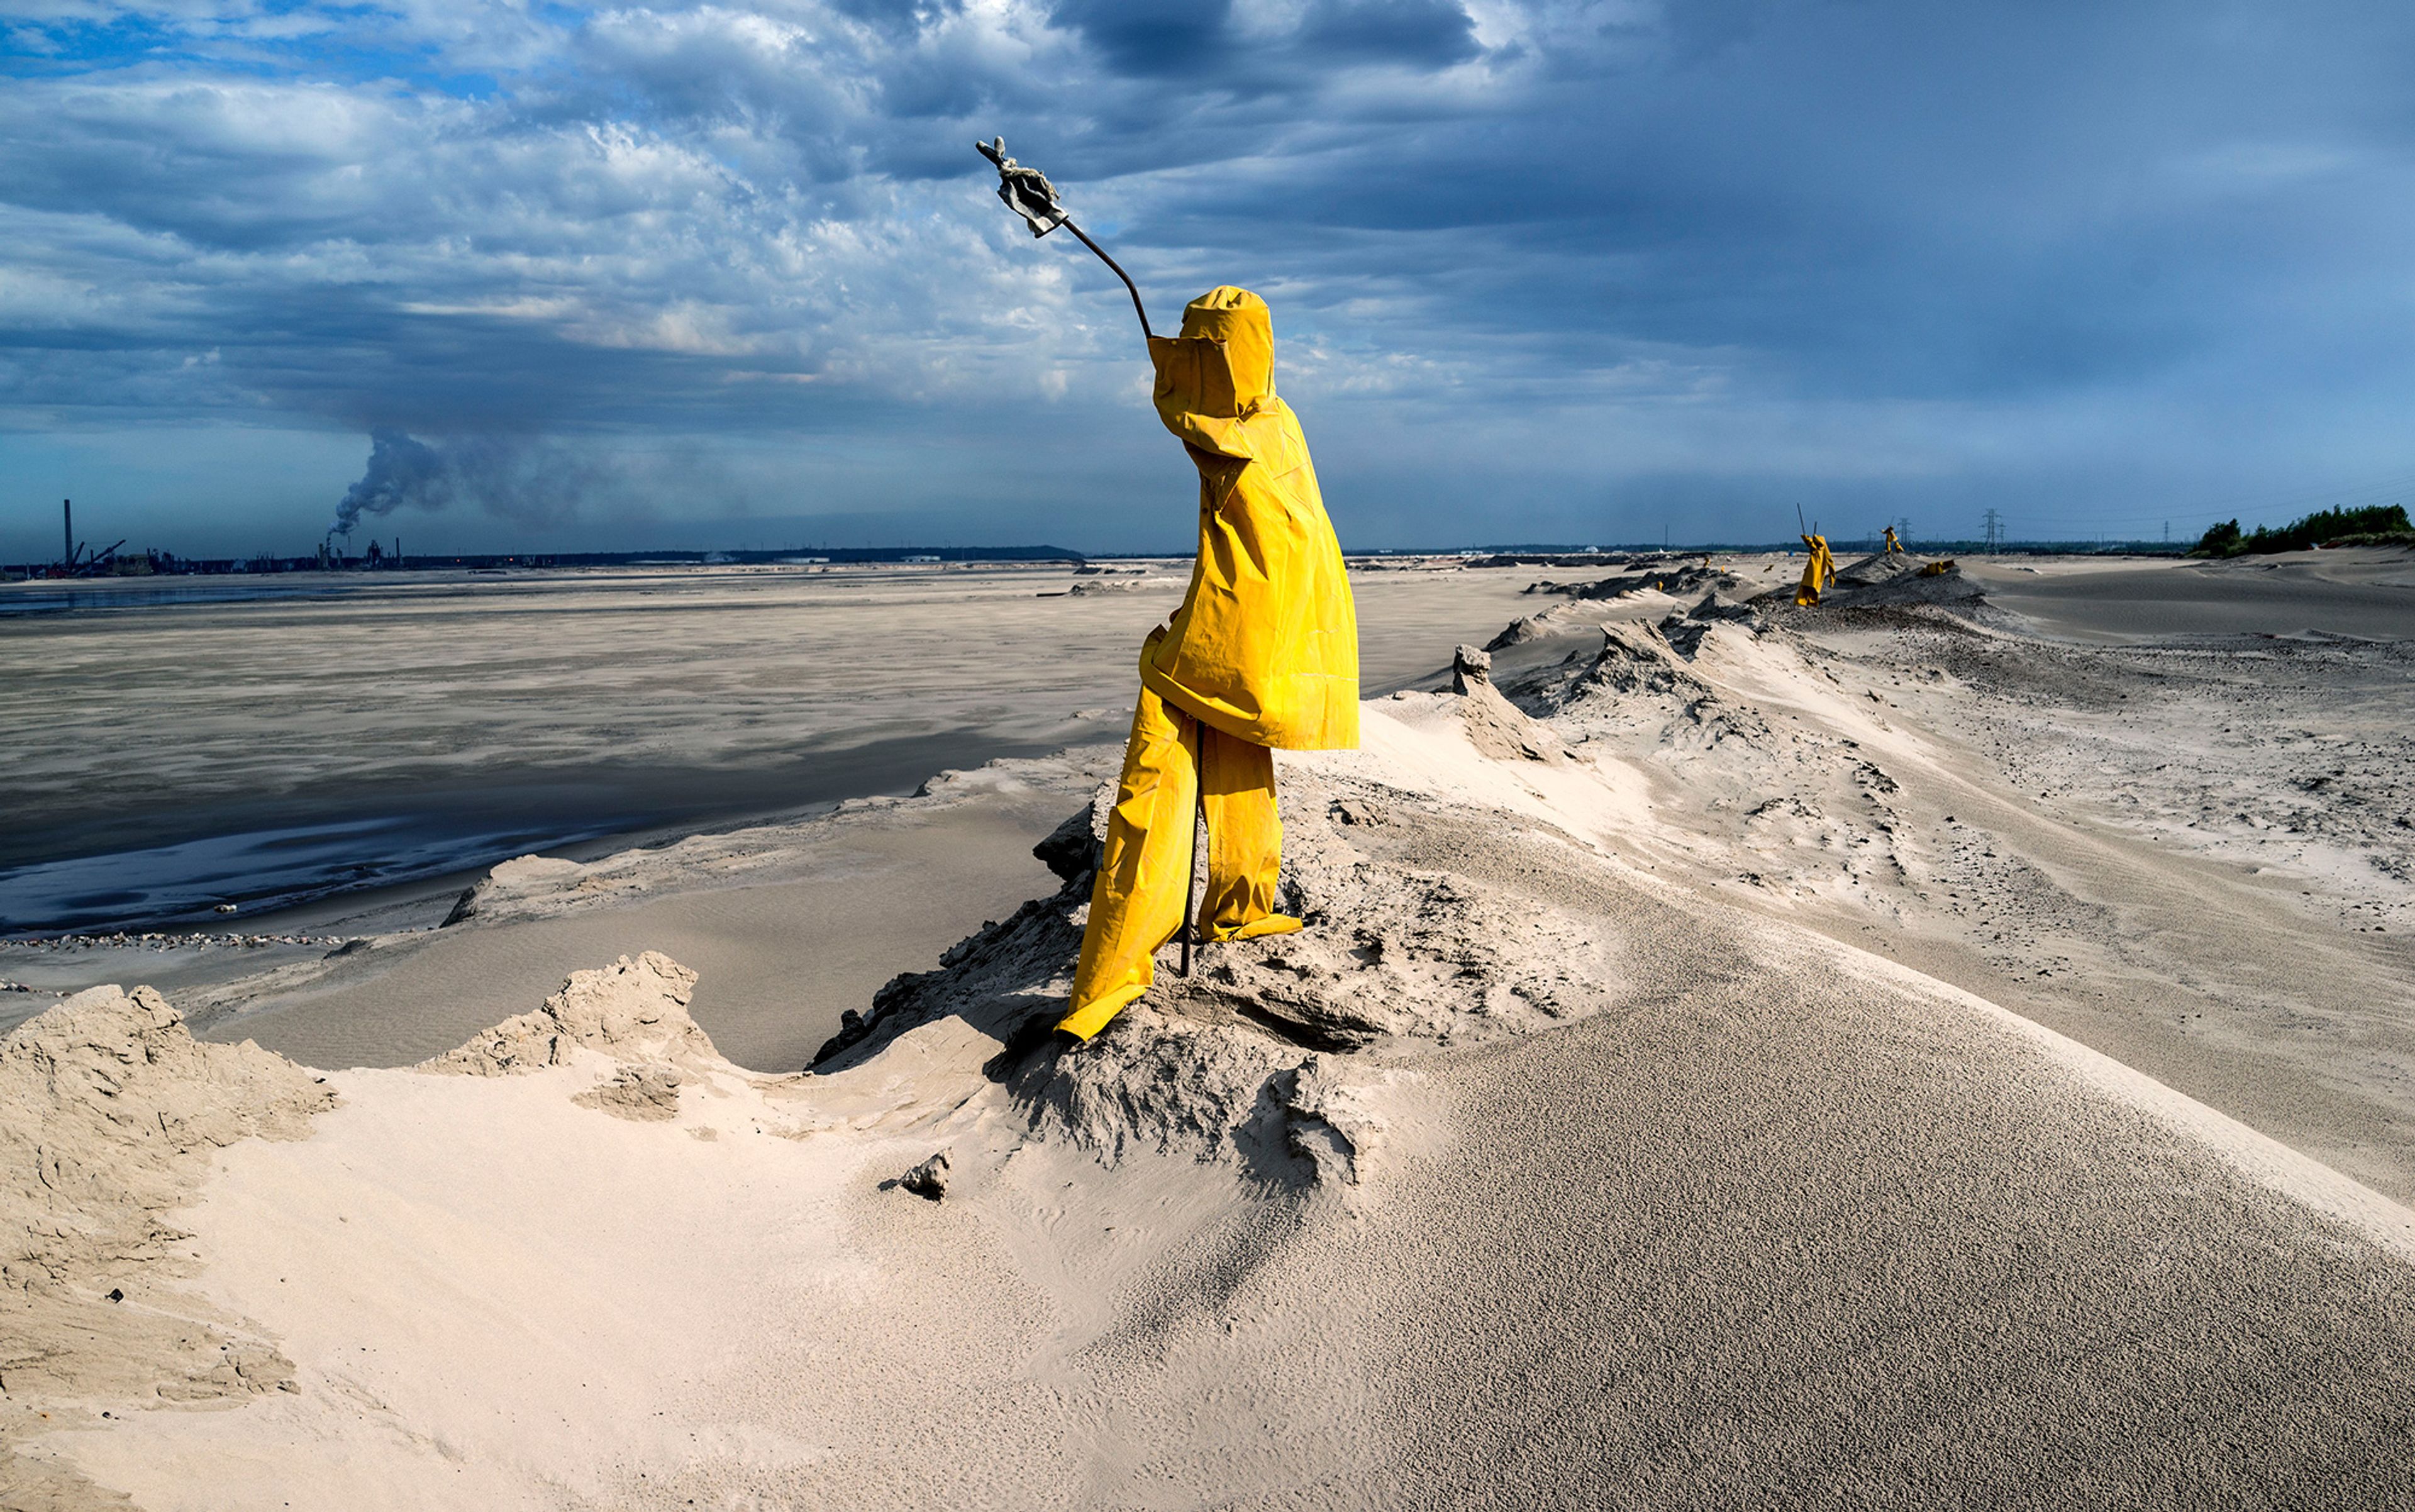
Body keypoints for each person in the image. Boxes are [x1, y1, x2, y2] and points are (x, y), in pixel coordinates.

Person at [1057, 287, 1360, 1042]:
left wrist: (1155, 345)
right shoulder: (1280, 421)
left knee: (1153, 785)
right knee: (1236, 761)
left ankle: (1110, 974)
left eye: (1206, 348)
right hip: (1276, 643)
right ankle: (1239, 903)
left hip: (1227, 643)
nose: (1199, 365)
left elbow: (1181, 403)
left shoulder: (1231, 433)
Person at [1794, 532, 1835, 606]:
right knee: (1813, 595)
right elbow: (1831, 564)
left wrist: (1805, 538)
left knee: (1802, 594)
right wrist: (1832, 579)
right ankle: (1811, 606)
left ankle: (1800, 606)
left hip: (1810, 576)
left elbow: (1811, 543)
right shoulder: (1825, 550)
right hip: (1817, 579)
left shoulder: (1816, 548)